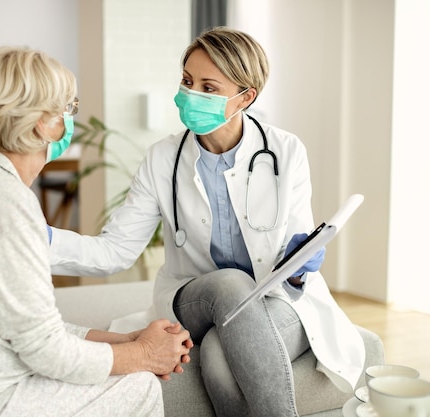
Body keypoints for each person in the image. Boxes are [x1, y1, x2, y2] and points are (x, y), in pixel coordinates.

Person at [48, 27, 365, 417]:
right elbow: (115, 250)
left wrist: (300, 266)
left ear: (245, 97)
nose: (191, 94)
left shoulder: (285, 152)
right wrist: (36, 238)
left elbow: (292, 256)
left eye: (209, 88)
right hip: (194, 297)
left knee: (216, 351)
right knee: (230, 283)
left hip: (273, 299)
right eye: (187, 81)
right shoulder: (162, 159)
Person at [0, 46, 192, 417]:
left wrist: (124, 340)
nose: (69, 121)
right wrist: (143, 356)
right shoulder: (5, 206)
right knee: (137, 384)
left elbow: (25, 328)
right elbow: (45, 350)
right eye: (67, 109)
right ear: (43, 122)